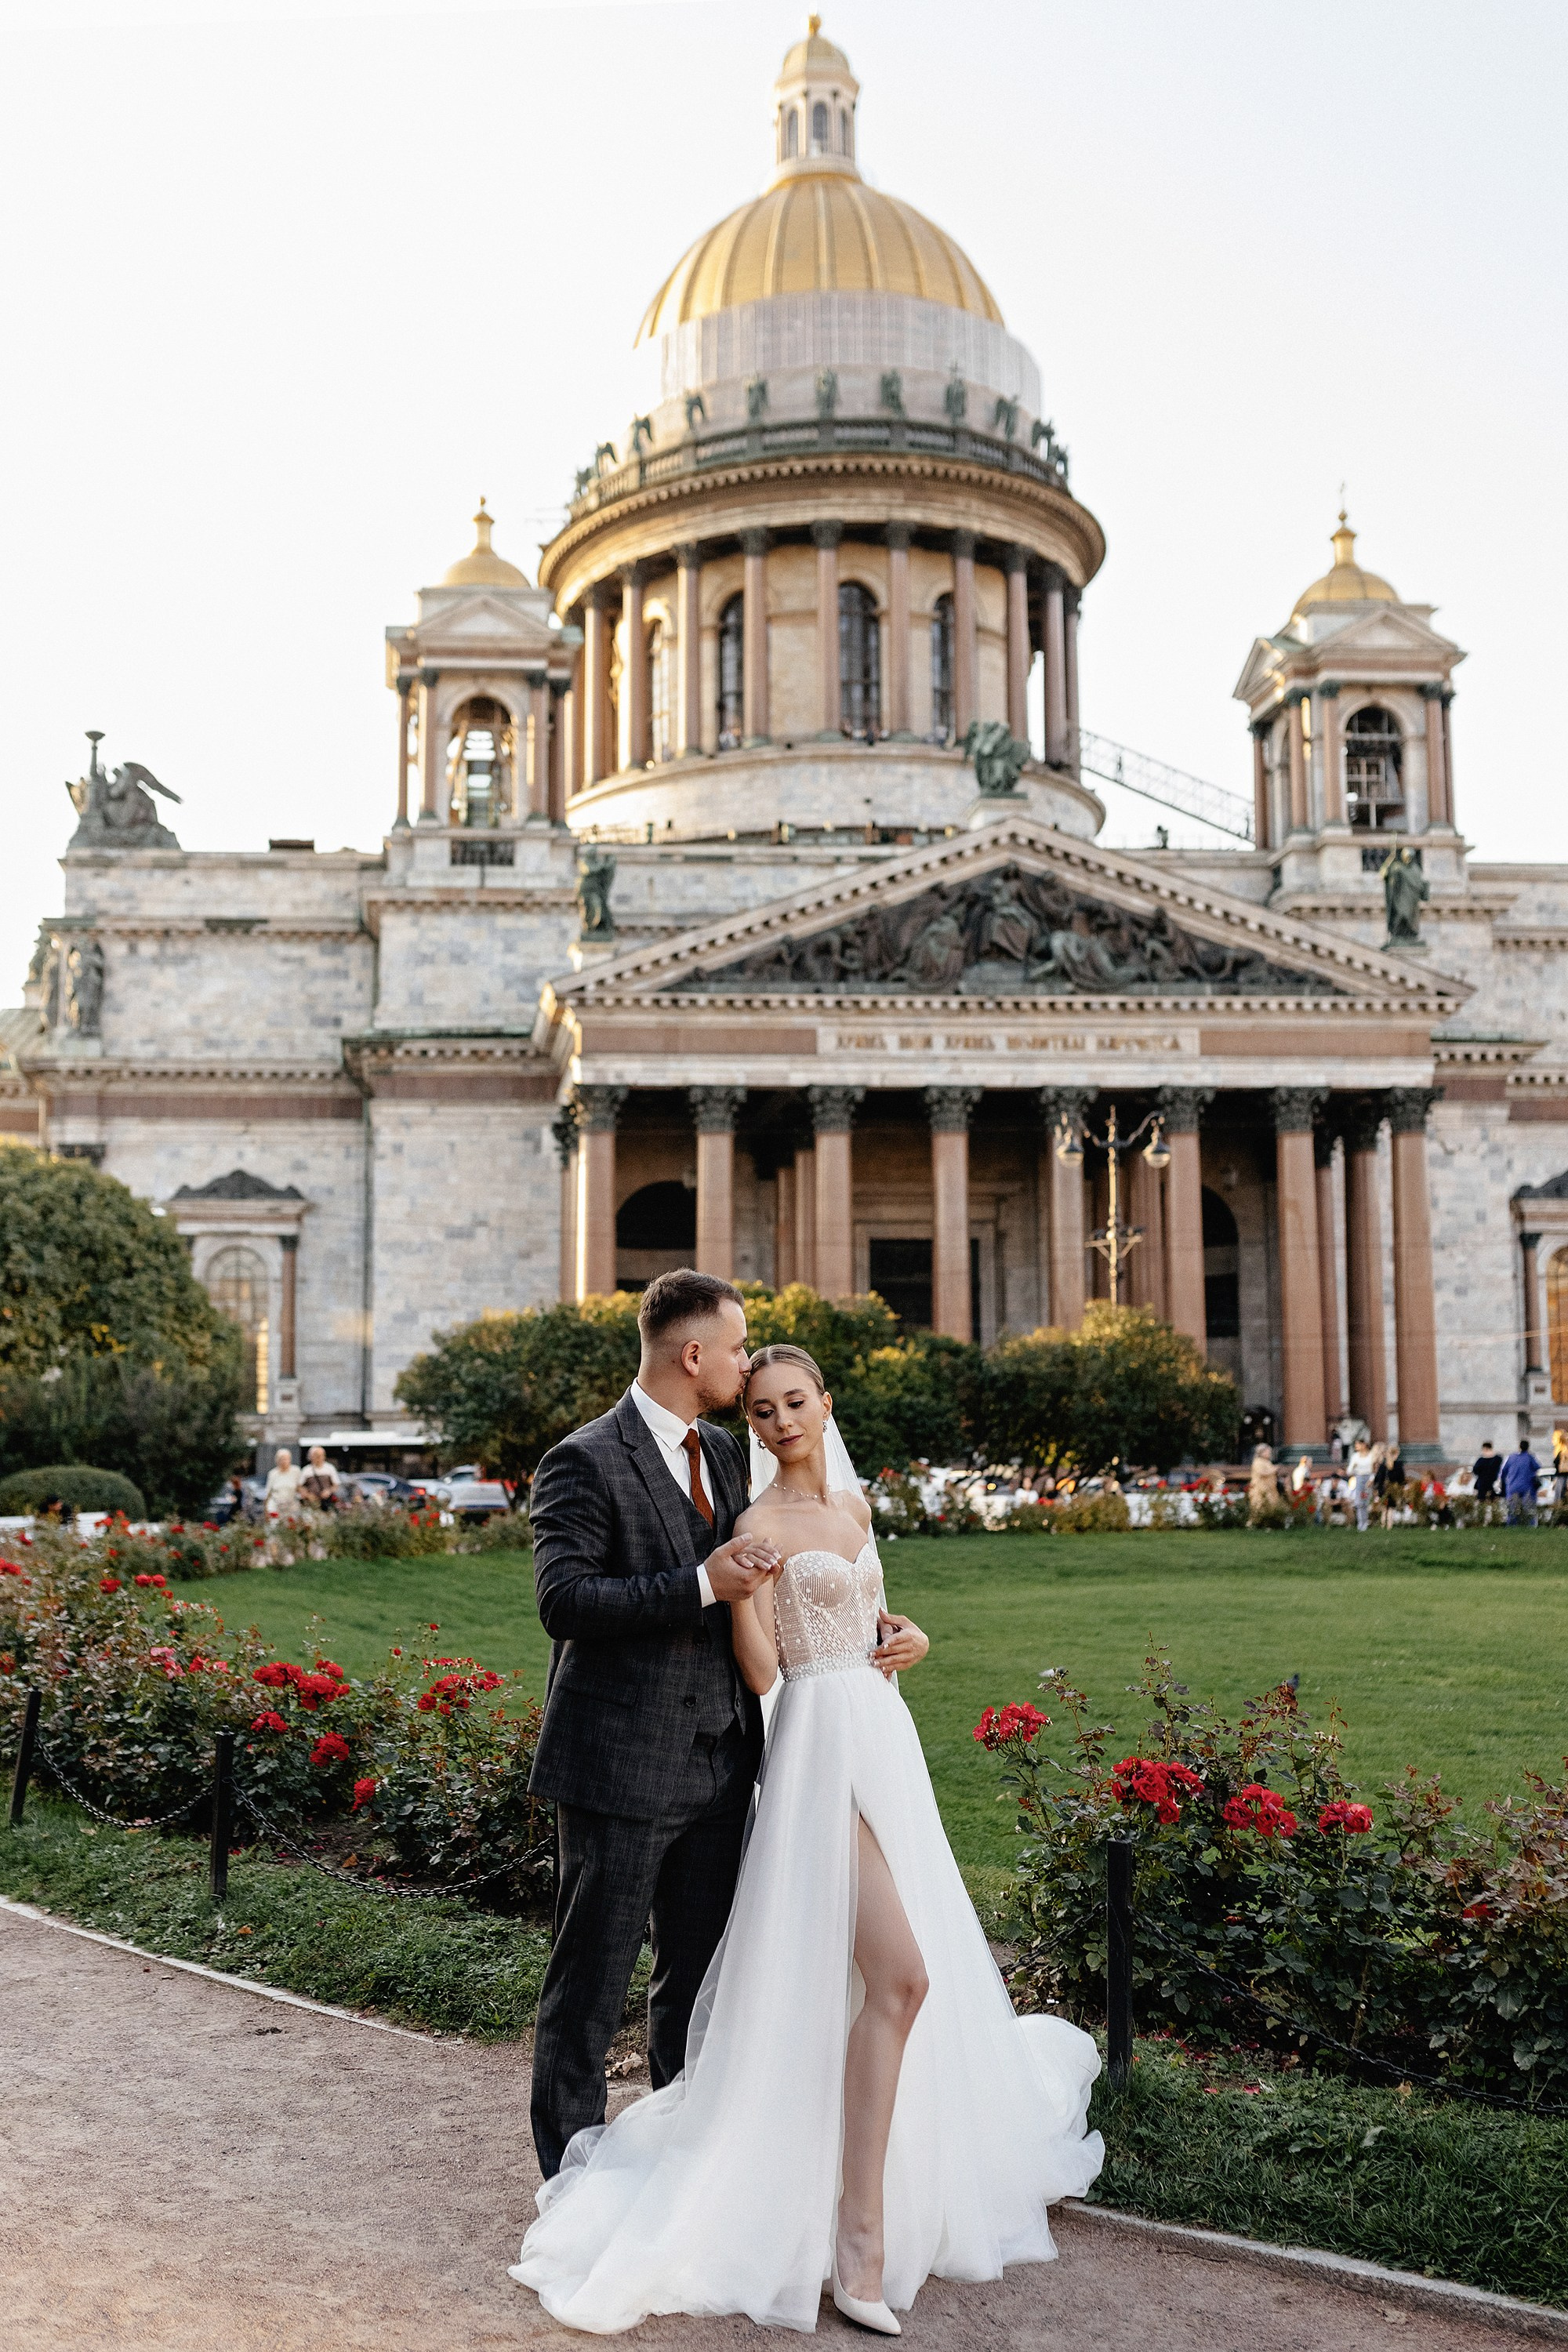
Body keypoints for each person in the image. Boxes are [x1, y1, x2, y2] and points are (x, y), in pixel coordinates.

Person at [511, 1338, 1102, 2335]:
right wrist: (739, 1592)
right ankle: (856, 2236)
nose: (781, 1421)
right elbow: (760, 1671)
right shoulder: (757, 1523)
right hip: (817, 1752)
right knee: (902, 1978)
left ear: (826, 1405)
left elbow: (870, 1625)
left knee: (887, 1985)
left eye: (795, 1402)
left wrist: (907, 1639)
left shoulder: (854, 1511)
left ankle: (862, 2198)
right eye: (763, 1410)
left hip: (882, 1740)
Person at [523, 1270, 777, 2194]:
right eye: (739, 1346)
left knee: (695, 1988)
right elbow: (564, 1602)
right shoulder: (582, 1460)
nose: (746, 1362)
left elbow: (776, 1581)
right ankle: (570, 2184)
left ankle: (683, 2168)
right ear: (693, 1354)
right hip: (619, 1771)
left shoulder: (723, 1451)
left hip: (719, 1766)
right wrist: (701, 1583)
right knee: (587, 1990)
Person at [1501, 1438, 1541, 1526]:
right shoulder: (1529, 1457)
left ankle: (1511, 1526)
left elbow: (1504, 1471)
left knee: (1513, 1508)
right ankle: (1531, 1526)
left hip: (1513, 1486)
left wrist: (1504, 1483)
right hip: (1527, 1487)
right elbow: (1537, 1467)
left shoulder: (1512, 1457)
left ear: (1519, 1446)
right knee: (1529, 1508)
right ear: (1528, 1447)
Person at [298, 1444, 341, 1513]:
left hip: (326, 1502)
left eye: (320, 1455)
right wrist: (308, 1495)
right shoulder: (306, 1470)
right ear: (311, 1456)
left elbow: (336, 1485)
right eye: (316, 1455)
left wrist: (328, 1491)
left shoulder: (330, 1468)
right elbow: (299, 1486)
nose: (318, 1457)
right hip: (311, 1503)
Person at [263, 1446, 301, 1521]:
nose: (283, 1461)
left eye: (285, 1459)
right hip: (276, 1505)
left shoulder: (296, 1471)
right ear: (277, 1460)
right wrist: (266, 1511)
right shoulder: (272, 1473)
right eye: (281, 1459)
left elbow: (300, 1488)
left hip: (291, 1506)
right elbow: (268, 1493)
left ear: (290, 1460)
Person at [1347, 1439, 1376, 1532]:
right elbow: (1349, 1471)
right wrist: (1353, 1467)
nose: (1356, 1446)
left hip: (1369, 1479)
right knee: (1359, 1502)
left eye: (1358, 1444)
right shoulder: (1355, 1456)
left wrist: (1371, 1479)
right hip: (1359, 1479)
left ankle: (1367, 1522)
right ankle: (1361, 1523)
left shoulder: (1371, 1456)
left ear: (1364, 1445)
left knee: (1367, 1501)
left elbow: (1374, 1469)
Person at [1473, 1441, 1502, 1508]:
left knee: (1482, 1504)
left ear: (1485, 1449)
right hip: (1494, 1484)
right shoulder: (1498, 1459)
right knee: (1493, 1505)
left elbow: (1475, 1471)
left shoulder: (1481, 1460)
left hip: (1484, 1485)